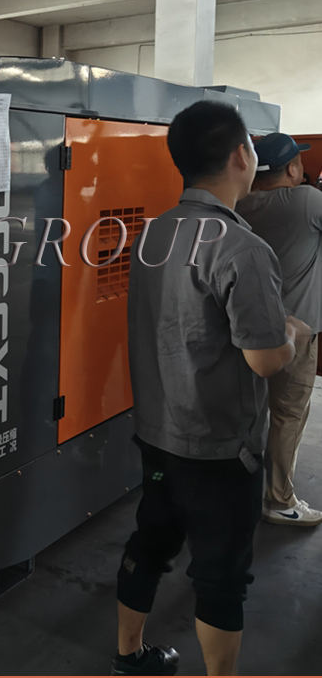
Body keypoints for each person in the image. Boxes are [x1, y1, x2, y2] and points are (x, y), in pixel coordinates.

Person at [113, 101, 309, 676]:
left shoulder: (153, 232)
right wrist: (291, 333)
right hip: (220, 449)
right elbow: (266, 361)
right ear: (241, 156)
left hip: (157, 432)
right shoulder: (242, 248)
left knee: (150, 544)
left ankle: (129, 655)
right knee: (221, 577)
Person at [236, 132, 322, 526]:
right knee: (287, 415)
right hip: (295, 334)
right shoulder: (306, 201)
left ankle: (242, 489)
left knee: (250, 413)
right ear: (292, 168)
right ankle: (279, 499)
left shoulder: (240, 204)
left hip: (246, 329)